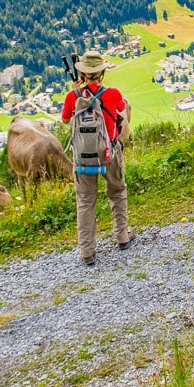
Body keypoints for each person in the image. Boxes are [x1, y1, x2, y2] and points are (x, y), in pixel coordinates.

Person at [61, 50, 134, 265]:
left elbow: (66, 120)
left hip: (83, 159)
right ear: (102, 73)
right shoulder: (112, 94)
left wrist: (77, 95)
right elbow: (122, 109)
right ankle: (122, 235)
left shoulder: (72, 97)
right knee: (117, 191)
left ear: (82, 75)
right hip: (109, 152)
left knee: (85, 201)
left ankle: (87, 251)